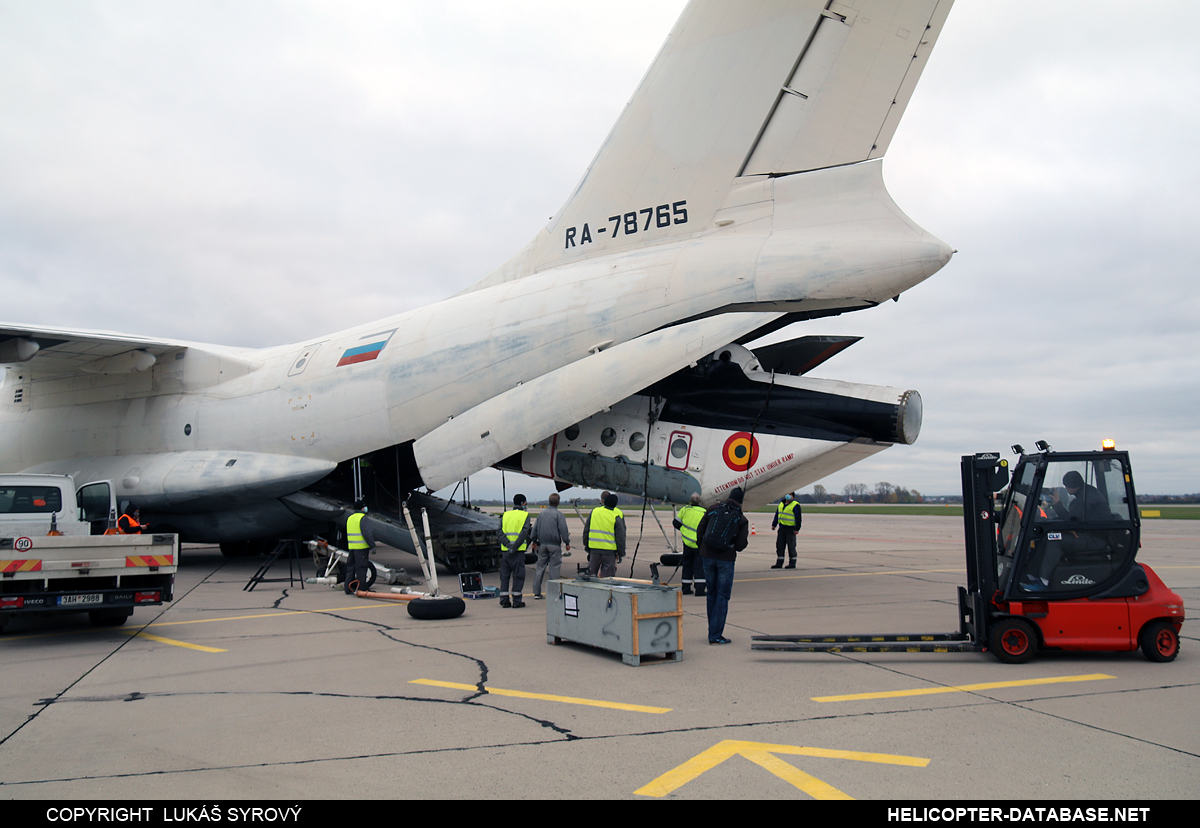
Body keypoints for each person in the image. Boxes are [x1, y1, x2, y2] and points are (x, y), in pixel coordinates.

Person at [1025, 471, 1113, 591]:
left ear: (1072, 486)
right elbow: (1073, 521)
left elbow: (1071, 522)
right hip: (1089, 533)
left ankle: (1044, 582)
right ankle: (1032, 575)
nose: (1065, 489)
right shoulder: (1087, 493)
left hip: (1095, 539)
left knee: (1055, 540)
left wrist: (1058, 507)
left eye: (1066, 486)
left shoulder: (1083, 499)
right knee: (1048, 536)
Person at [696, 486, 749, 644]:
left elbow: (700, 530)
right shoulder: (741, 518)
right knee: (722, 596)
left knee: (711, 593)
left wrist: (703, 548)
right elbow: (740, 545)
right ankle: (715, 634)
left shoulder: (712, 509)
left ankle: (712, 630)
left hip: (707, 555)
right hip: (725, 559)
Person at [531, 493, 571, 599]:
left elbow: (534, 528)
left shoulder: (541, 514)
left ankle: (536, 592)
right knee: (554, 568)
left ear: (548, 502)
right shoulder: (559, 515)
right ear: (558, 503)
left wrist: (534, 540)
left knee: (540, 568)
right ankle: (553, 592)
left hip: (542, 544)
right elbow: (563, 530)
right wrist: (567, 542)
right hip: (554, 545)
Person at [500, 494, 533, 608]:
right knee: (518, 576)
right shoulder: (525, 515)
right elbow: (524, 533)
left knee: (504, 576)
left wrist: (508, 545)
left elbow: (499, 532)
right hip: (518, 552)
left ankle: (504, 600)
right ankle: (517, 601)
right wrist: (514, 547)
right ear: (523, 503)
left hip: (506, 551)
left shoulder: (505, 515)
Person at [671, 493, 706, 595]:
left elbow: (676, 523)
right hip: (699, 544)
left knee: (687, 566)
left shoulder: (685, 510)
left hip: (687, 543)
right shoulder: (704, 512)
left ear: (690, 501)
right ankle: (700, 590)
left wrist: (684, 531)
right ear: (700, 501)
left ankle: (686, 589)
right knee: (699, 567)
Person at [584, 493, 626, 578]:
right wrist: (621, 553)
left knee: (591, 577)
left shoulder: (594, 512)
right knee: (607, 579)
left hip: (594, 550)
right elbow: (620, 537)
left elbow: (586, 531)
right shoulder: (617, 515)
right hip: (609, 552)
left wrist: (587, 547)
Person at [344, 500, 376, 595]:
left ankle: (347, 588)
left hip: (352, 547)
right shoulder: (363, 518)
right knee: (361, 568)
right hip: (361, 548)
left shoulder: (350, 518)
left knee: (351, 568)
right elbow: (367, 534)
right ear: (362, 508)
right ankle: (362, 588)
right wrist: (372, 546)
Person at [770, 492, 802, 569]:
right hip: (782, 529)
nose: (788, 496)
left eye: (790, 495)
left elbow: (798, 518)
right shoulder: (781, 504)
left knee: (791, 546)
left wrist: (797, 528)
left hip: (790, 529)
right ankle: (779, 562)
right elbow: (777, 515)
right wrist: (774, 524)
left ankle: (792, 563)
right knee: (780, 546)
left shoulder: (795, 505)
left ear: (793, 497)